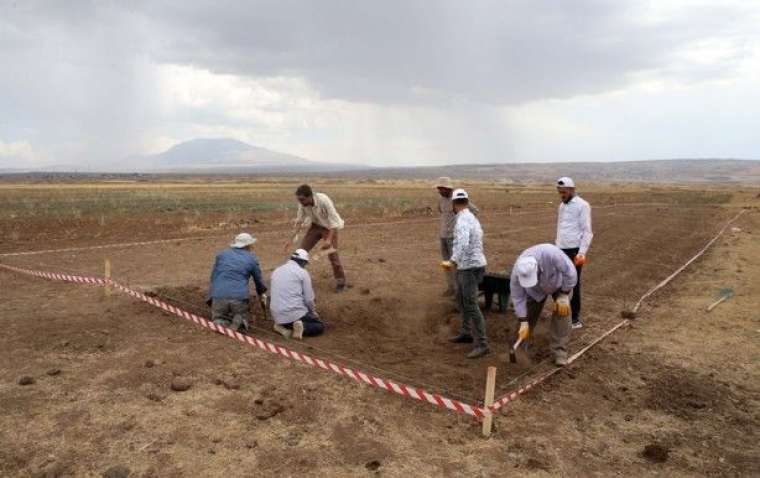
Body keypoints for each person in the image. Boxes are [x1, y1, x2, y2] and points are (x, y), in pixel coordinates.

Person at [510, 243, 578, 366]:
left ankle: (559, 352)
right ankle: (519, 351)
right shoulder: (517, 272)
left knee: (562, 312)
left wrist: (564, 294)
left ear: (537, 268)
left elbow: (571, 273)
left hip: (560, 285)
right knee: (526, 318)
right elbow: (518, 298)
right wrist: (523, 320)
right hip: (534, 291)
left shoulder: (551, 254)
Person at [443, 188, 489, 359]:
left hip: (468, 267)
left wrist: (452, 261)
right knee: (461, 299)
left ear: (454, 204)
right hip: (471, 265)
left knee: (470, 304)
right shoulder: (472, 218)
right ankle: (466, 332)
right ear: (467, 201)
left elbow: (462, 243)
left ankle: (483, 344)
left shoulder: (462, 220)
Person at [284, 184, 346, 292]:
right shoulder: (302, 204)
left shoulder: (324, 200)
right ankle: (295, 279)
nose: (300, 202)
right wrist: (290, 239)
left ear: (310, 196)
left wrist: (328, 240)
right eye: (299, 200)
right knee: (300, 252)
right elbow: (299, 220)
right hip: (315, 226)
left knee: (333, 256)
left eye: (302, 200)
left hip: (330, 228)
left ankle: (340, 281)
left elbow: (333, 222)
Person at [207, 232, 267, 334]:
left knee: (218, 318)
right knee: (241, 317)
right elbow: (258, 281)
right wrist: (262, 293)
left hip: (218, 296)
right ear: (248, 245)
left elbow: (213, 277)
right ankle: (239, 322)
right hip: (239, 297)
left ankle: (222, 323)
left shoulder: (221, 255)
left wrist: (212, 295)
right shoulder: (251, 259)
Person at [555, 176, 593, 329]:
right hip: (561, 249)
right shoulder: (562, 206)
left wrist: (582, 253)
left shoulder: (582, 205)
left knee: (574, 283)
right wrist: (556, 247)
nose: (562, 195)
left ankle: (575, 319)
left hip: (575, 251)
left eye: (564, 192)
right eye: (560, 192)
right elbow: (560, 228)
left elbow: (587, 231)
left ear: (572, 190)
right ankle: (561, 313)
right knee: (559, 282)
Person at [436, 177, 479, 297]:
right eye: (438, 188)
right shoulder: (441, 200)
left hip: (455, 238)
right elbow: (442, 212)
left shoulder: (458, 199)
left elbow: (475, 211)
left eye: (441, 188)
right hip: (443, 236)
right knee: (446, 263)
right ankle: (451, 287)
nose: (439, 190)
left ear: (448, 188)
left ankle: (460, 290)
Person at [269, 249, 325, 340]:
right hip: (294, 312)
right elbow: (309, 299)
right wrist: (312, 312)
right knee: (319, 326)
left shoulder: (277, 270)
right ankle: (302, 327)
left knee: (292, 317)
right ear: (303, 262)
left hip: (276, 314)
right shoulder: (302, 272)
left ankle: (282, 327)